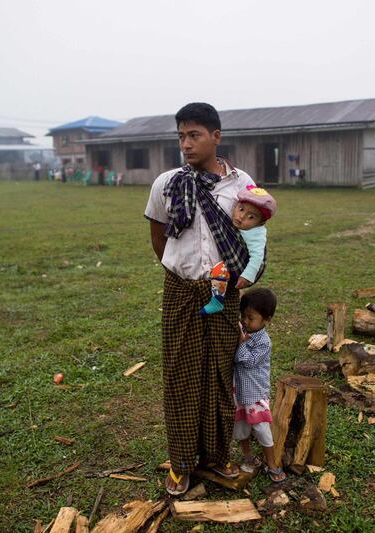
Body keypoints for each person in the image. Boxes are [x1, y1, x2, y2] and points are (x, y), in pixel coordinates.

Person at [145, 102, 256, 496]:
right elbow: (159, 235)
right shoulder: (167, 183)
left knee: (220, 374)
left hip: (224, 293)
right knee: (180, 377)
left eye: (194, 135)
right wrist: (181, 272)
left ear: (216, 137)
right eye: (181, 136)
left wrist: (244, 275)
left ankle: (215, 457)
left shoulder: (242, 185)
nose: (186, 144)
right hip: (181, 292)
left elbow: (255, 234)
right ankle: (181, 464)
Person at [233, 288, 286, 483]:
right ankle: (248, 456)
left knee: (262, 429)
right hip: (239, 392)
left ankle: (271, 463)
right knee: (241, 427)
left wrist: (241, 344)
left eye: (250, 318)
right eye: (243, 316)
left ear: (267, 319)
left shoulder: (264, 342)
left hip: (255, 394)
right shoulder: (243, 331)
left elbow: (246, 360)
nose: (245, 321)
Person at [200, 185, 276, 315]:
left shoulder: (256, 235)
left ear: (261, 222)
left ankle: (217, 301)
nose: (241, 217)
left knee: (219, 270)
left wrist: (247, 275)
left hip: (240, 266)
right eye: (241, 209)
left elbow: (257, 256)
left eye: (251, 217)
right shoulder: (233, 220)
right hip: (229, 259)